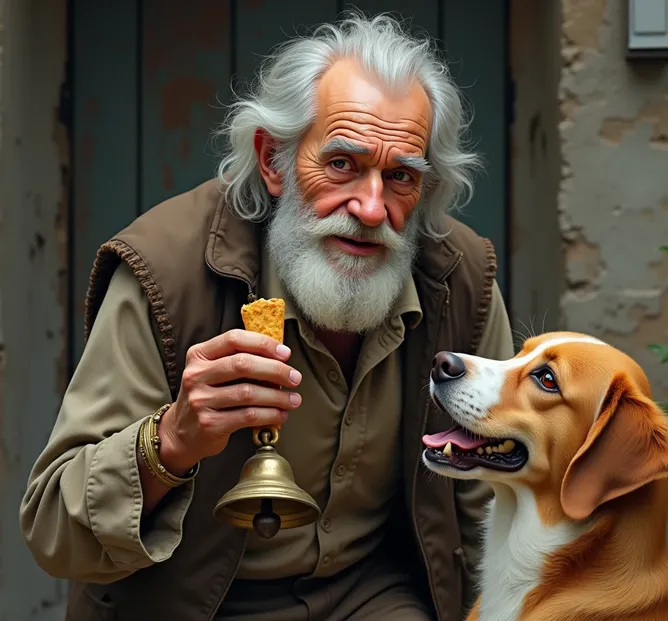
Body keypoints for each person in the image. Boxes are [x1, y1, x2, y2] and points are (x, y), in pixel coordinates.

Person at [20, 12, 514, 621]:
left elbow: (490, 502)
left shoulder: (458, 277)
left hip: (372, 594)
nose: (369, 206)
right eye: (341, 164)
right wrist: (170, 440)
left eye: (400, 176)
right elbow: (52, 528)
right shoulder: (165, 269)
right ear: (274, 161)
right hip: (193, 603)